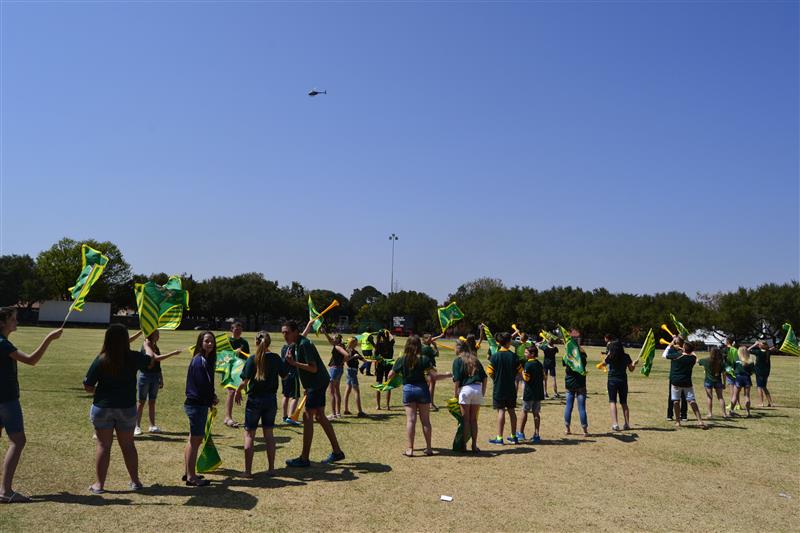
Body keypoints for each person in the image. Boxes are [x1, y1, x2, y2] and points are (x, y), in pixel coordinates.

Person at [83, 323, 178, 494]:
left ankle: (99, 485)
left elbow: (88, 386)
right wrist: (147, 346)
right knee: (128, 445)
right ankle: (135, 482)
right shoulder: (132, 357)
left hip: (103, 407)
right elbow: (150, 361)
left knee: (103, 445)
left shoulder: (101, 359)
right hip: (126, 408)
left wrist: (103, 391)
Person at [0, 307, 62, 503]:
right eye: (13, 319)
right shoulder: (3, 344)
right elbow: (31, 360)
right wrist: (49, 339)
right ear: (2, 323)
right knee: (18, 441)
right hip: (6, 399)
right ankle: (5, 491)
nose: (16, 322)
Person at [282, 320, 345, 467]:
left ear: (295, 332)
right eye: (283, 332)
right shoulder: (297, 343)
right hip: (317, 383)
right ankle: (337, 452)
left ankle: (304, 458)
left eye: (287, 332)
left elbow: (313, 368)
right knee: (320, 416)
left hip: (317, 384)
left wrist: (294, 363)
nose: (284, 335)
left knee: (308, 416)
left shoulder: (304, 345)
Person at [234, 332, 286, 477]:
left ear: (256, 342)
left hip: (254, 400)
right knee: (269, 435)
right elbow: (285, 376)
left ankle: (248, 471)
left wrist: (238, 391)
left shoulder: (252, 359)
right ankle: (271, 469)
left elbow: (244, 381)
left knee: (249, 434)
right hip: (270, 400)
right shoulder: (276, 358)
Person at [388, 335, 450, 456]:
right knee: (425, 421)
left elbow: (390, 375)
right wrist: (448, 375)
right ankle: (429, 448)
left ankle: (410, 449)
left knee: (411, 420)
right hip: (422, 389)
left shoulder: (401, 359)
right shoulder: (424, 359)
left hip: (408, 390)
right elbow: (434, 376)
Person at [183, 331, 218, 486]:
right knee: (195, 441)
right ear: (200, 343)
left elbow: (207, 384)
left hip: (197, 403)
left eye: (212, 341)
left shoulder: (205, 359)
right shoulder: (199, 361)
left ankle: (188, 472)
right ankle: (191, 477)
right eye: (206, 341)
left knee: (193, 439)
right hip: (197, 404)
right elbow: (202, 385)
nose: (210, 344)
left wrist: (212, 396)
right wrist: (211, 399)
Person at [134, 330, 181, 435]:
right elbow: (156, 358)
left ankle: (152, 426)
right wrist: (173, 353)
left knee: (152, 401)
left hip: (155, 376)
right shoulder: (146, 345)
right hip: (145, 376)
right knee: (141, 402)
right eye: (157, 334)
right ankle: (136, 426)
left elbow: (157, 366)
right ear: (151, 335)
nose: (158, 336)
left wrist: (161, 378)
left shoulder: (155, 346)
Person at [662, 338, 707, 429]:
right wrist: (685, 349)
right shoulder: (692, 358)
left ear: (684, 348)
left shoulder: (677, 356)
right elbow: (694, 355)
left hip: (676, 381)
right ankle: (700, 421)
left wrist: (670, 345)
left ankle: (678, 422)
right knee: (692, 400)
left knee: (676, 401)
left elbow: (665, 355)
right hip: (687, 382)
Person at [452, 338, 487, 452]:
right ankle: (474, 445)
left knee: (465, 420)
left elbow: (457, 380)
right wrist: (482, 392)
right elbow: (485, 377)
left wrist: (455, 394)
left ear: (458, 348)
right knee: (474, 420)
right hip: (477, 389)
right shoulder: (474, 359)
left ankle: (463, 445)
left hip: (465, 390)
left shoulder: (458, 361)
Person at [487, 332, 522, 445]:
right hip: (511, 388)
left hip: (499, 388)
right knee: (512, 411)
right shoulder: (513, 356)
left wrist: (496, 379)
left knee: (501, 411)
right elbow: (520, 372)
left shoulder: (495, 356)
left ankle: (499, 438)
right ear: (508, 342)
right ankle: (513, 436)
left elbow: (490, 372)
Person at [604, 335, 635, 431]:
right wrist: (634, 364)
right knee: (624, 402)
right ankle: (627, 424)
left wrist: (608, 354)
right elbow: (631, 369)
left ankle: (615, 424)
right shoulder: (626, 356)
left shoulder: (611, 356)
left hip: (612, 380)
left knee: (612, 401)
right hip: (623, 380)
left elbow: (604, 363)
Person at [224, 322, 250, 429]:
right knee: (231, 392)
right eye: (236, 329)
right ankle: (228, 417)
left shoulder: (244, 342)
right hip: (230, 370)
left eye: (240, 329)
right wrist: (235, 352)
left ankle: (249, 418)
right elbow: (224, 358)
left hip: (241, 370)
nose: (238, 331)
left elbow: (247, 357)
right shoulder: (227, 341)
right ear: (231, 330)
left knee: (243, 392)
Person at [563, 343, 589, 437]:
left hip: (569, 384)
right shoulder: (582, 357)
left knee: (568, 406)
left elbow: (564, 363)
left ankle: (567, 429)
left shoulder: (567, 356)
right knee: (582, 408)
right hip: (581, 384)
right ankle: (585, 430)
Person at [520, 344, 544, 443]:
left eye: (526, 352)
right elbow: (544, 376)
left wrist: (522, 372)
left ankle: (521, 433)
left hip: (529, 393)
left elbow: (526, 378)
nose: (525, 354)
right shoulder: (539, 364)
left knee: (524, 411)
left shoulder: (528, 364)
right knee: (536, 413)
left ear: (532, 354)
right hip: (538, 392)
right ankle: (537, 434)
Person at [698, 347, 728, 418]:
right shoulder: (721, 362)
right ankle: (724, 414)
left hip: (708, 381)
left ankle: (710, 414)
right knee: (720, 397)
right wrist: (724, 383)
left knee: (709, 397)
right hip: (718, 381)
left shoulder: (706, 360)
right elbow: (724, 374)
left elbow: (698, 361)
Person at [322, 331, 346, 419]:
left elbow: (347, 355)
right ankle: (338, 413)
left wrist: (341, 362)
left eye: (334, 338)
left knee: (332, 392)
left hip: (334, 369)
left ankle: (333, 414)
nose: (332, 339)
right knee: (337, 391)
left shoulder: (337, 346)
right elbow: (330, 340)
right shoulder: (341, 345)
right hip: (339, 369)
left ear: (337, 340)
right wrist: (325, 333)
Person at [342, 337, 366, 417]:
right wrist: (354, 357)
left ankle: (346, 410)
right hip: (351, 371)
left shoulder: (355, 351)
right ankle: (360, 412)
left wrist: (373, 360)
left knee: (348, 390)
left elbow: (364, 360)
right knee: (356, 391)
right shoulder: (347, 351)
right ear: (351, 343)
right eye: (355, 343)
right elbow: (344, 360)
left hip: (353, 371)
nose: (356, 344)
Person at [665, 336, 688, 421]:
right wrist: (672, 345)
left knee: (682, 396)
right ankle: (671, 415)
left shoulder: (683, 351)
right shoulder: (675, 350)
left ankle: (682, 415)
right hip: (679, 376)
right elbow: (666, 356)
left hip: (678, 376)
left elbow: (667, 355)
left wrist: (671, 345)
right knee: (675, 396)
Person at [280, 343, 301, 426]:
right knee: (295, 396)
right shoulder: (293, 347)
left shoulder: (284, 347)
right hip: (292, 374)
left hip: (284, 374)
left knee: (285, 395)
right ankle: (290, 418)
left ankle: (284, 417)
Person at [374, 330, 396, 411]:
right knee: (388, 385)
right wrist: (388, 332)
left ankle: (378, 405)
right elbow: (393, 339)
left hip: (380, 365)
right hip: (389, 365)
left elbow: (376, 358)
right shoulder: (390, 344)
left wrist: (375, 369)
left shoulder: (378, 345)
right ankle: (388, 406)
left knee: (379, 384)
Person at [731, 346, 755, 417]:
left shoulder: (736, 359)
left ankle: (731, 410)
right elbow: (752, 371)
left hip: (738, 378)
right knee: (747, 396)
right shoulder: (750, 360)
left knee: (735, 395)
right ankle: (748, 413)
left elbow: (733, 368)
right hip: (747, 378)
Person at [421, 332, 443, 411]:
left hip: (422, 368)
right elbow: (437, 354)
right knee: (431, 385)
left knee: (426, 386)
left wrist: (439, 336)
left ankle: (424, 403)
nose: (431, 340)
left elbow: (431, 339)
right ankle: (430, 404)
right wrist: (435, 346)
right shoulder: (428, 348)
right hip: (429, 368)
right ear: (424, 339)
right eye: (429, 338)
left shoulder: (421, 346)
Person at [749, 340, 774, 407]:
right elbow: (771, 348)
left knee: (759, 387)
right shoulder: (768, 352)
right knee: (764, 387)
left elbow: (747, 350)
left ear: (761, 346)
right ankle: (770, 402)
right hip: (766, 372)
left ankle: (761, 403)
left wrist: (754, 345)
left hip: (759, 372)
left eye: (759, 344)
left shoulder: (758, 352)